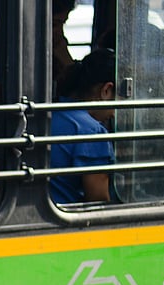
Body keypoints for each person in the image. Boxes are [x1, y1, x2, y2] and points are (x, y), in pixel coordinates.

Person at [49, 48, 116, 205]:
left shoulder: (50, 114)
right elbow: (98, 201)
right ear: (106, 91)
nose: (114, 114)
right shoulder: (91, 132)